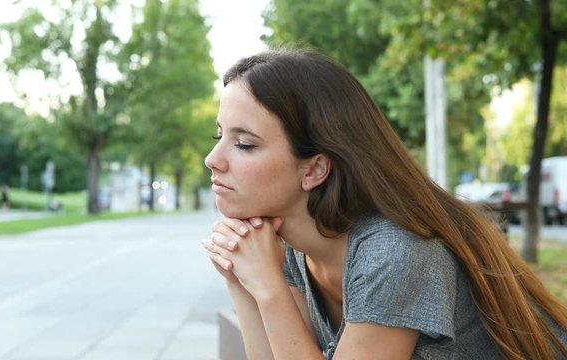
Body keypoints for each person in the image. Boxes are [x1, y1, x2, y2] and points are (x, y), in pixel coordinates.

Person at [201, 47, 567, 360]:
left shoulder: (395, 252)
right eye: (219, 135)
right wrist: (240, 278)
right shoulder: (294, 248)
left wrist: (268, 288)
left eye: (244, 144)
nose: (212, 159)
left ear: (314, 169)